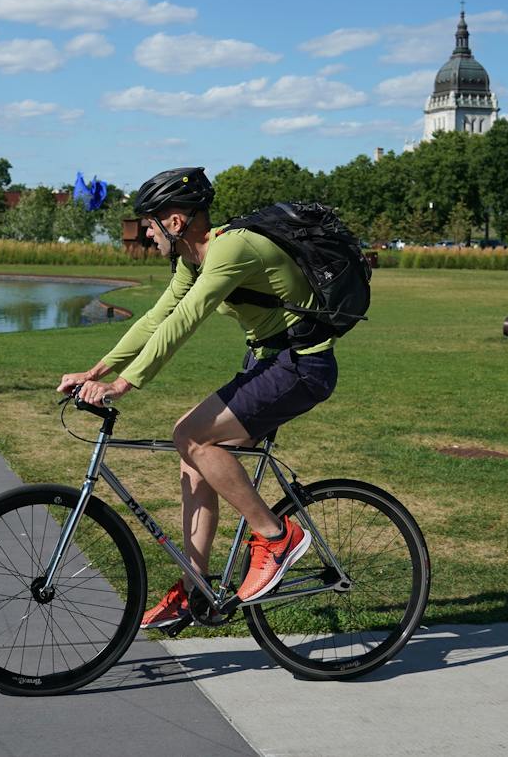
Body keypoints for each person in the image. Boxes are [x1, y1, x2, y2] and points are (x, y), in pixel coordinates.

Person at [57, 166, 339, 631]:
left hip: (300, 366)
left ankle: (277, 536)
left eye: (149, 223)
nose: (146, 234)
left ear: (174, 221)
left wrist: (124, 386)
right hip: (269, 362)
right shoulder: (194, 259)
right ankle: (195, 589)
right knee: (192, 456)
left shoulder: (230, 249)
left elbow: (186, 320)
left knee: (191, 436)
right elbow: (156, 317)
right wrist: (97, 370)